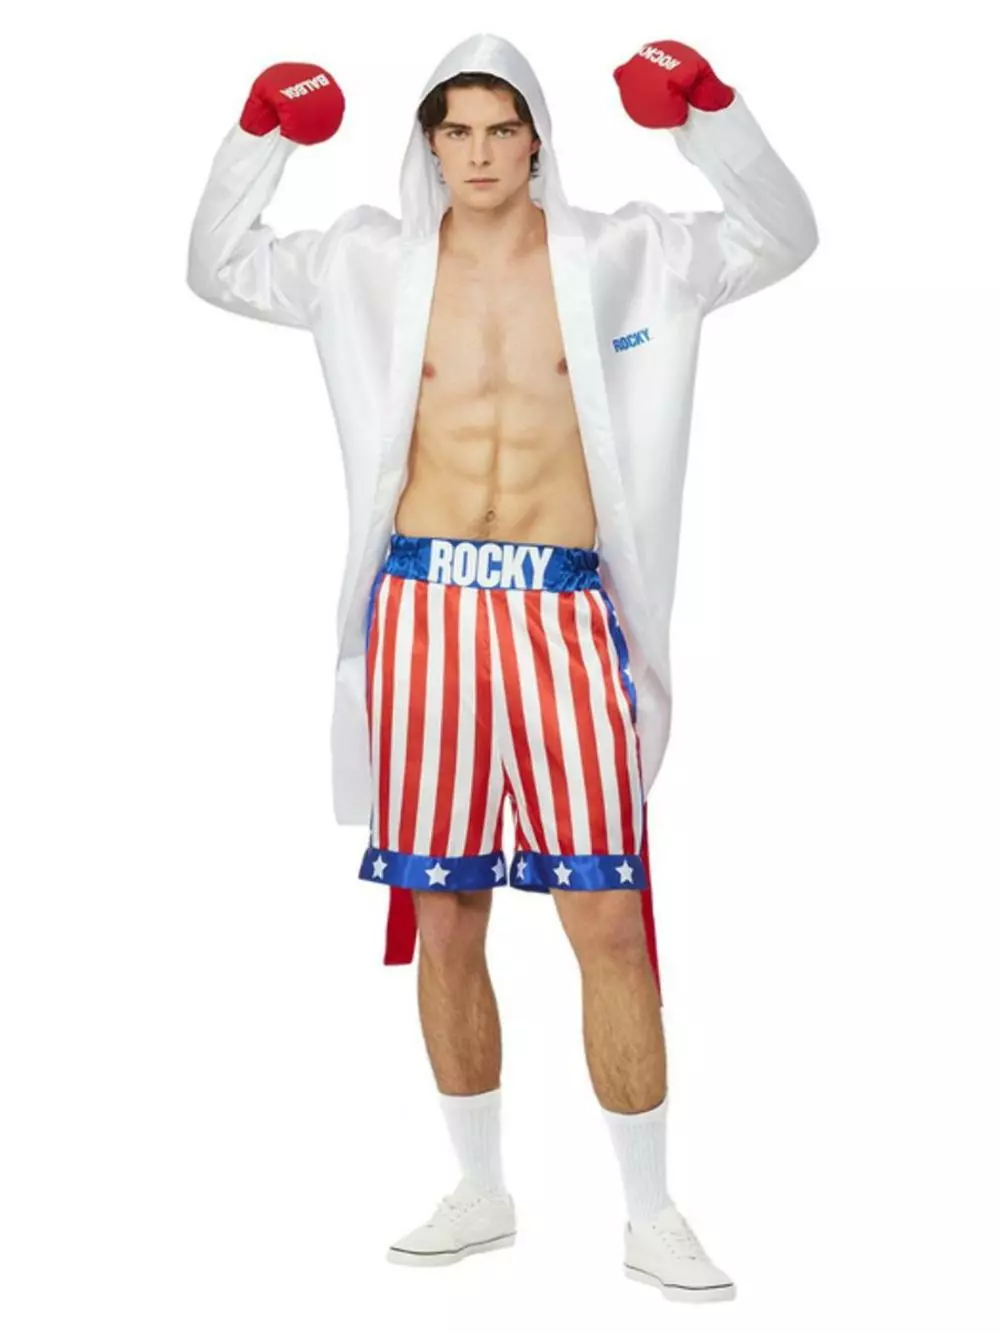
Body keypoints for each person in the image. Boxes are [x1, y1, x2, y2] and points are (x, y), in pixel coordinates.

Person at [187, 32, 817, 1303]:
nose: (478, 154)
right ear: (430, 145)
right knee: (447, 913)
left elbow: (783, 235)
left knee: (608, 918)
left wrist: (708, 113)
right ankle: (479, 1188)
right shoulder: (365, 260)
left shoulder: (632, 253)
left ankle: (650, 1210)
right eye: (456, 132)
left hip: (564, 614)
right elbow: (218, 265)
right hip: (423, 610)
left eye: (501, 129)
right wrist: (256, 134)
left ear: (536, 139)